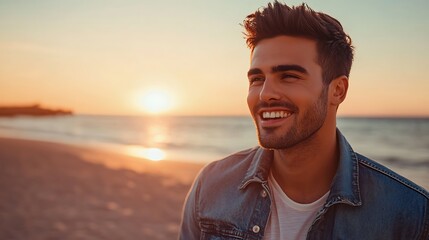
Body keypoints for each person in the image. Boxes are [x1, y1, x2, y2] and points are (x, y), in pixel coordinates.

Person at [179, 1, 429, 239]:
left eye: (288, 76)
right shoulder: (211, 187)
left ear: (337, 91)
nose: (265, 94)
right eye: (257, 79)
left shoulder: (410, 213)